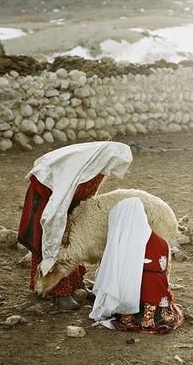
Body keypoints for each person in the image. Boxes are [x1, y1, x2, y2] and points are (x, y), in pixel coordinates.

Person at [18, 142, 133, 309]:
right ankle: (58, 293)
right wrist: (62, 225)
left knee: (75, 243)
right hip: (47, 198)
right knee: (53, 240)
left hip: (66, 201)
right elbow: (59, 200)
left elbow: (85, 194)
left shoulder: (96, 167)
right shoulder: (79, 166)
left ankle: (77, 285)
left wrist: (77, 218)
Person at [90, 197, 183, 334]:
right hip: (159, 301)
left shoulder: (122, 244)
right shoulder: (161, 242)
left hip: (135, 301)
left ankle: (131, 314)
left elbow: (114, 274)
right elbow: (165, 272)